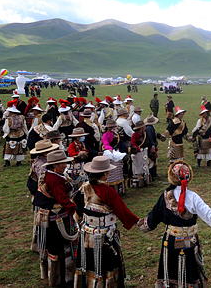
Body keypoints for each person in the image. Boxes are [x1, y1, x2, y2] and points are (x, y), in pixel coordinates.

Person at [138, 160, 211, 287]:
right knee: (188, 271)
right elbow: (209, 215)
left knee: (171, 270)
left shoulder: (165, 196)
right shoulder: (193, 197)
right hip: (188, 241)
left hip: (170, 241)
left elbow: (152, 219)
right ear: (189, 176)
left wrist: (140, 224)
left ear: (172, 176)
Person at [75, 156, 139, 287]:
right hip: (104, 236)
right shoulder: (108, 191)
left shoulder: (84, 187)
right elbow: (122, 211)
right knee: (106, 263)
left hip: (87, 233)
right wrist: (137, 221)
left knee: (88, 261)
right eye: (108, 172)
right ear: (104, 174)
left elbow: (77, 208)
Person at [32, 150, 78, 286]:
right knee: (59, 249)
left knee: (54, 248)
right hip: (56, 220)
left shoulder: (51, 175)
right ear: (55, 165)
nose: (65, 165)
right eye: (63, 163)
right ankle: (61, 278)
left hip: (50, 216)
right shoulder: (55, 180)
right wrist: (74, 209)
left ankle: (55, 276)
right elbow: (63, 199)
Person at [3, 100, 28, 166]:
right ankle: (19, 162)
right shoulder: (22, 117)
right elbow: (24, 126)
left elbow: (5, 129)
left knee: (9, 148)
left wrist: (6, 134)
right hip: (21, 134)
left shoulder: (8, 119)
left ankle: (7, 161)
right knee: (20, 148)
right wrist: (26, 133)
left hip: (11, 135)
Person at [130, 121, 151, 187]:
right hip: (138, 153)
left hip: (144, 152)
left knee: (144, 165)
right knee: (138, 166)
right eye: (144, 126)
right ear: (141, 128)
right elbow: (133, 143)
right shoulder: (135, 135)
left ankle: (145, 180)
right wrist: (138, 148)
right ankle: (139, 182)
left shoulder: (145, 133)